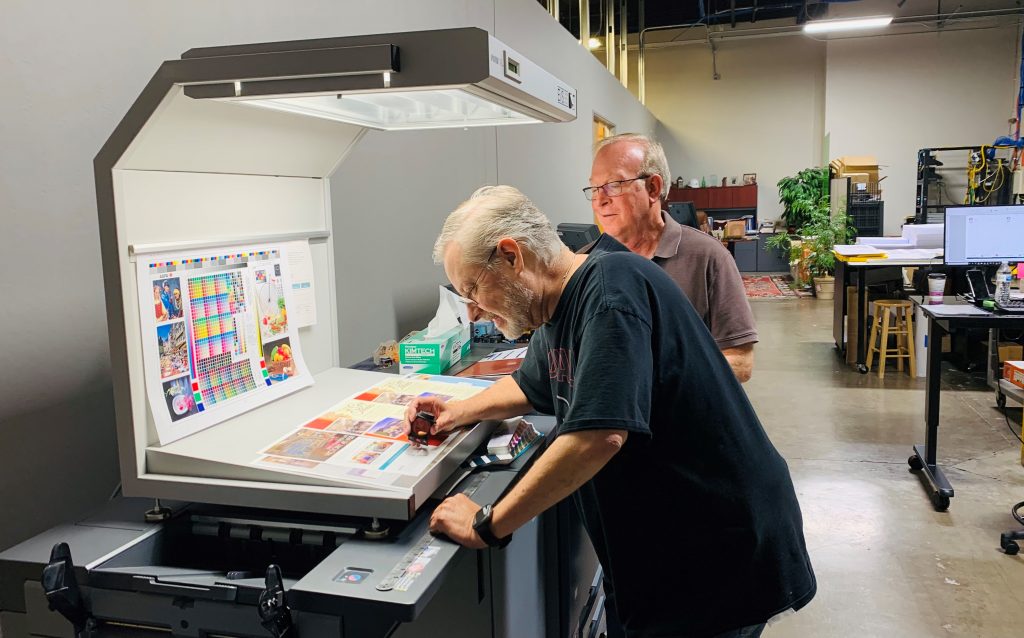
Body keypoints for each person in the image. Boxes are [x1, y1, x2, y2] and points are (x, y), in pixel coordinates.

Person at [406, 185, 815, 638]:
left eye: (473, 288)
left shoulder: (610, 292)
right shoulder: (557, 305)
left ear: (511, 256)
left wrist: (487, 525)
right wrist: (458, 411)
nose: (472, 308)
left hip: (717, 548)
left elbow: (599, 436)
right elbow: (531, 383)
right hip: (668, 552)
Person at [588, 133, 757, 382]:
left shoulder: (708, 257)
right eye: (594, 188)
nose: (600, 200)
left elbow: (740, 363)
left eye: (615, 185)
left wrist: (652, 379)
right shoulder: (586, 262)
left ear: (653, 188)